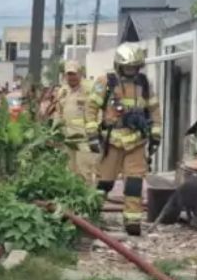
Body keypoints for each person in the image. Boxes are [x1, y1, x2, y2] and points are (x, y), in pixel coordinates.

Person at [86, 43, 162, 236]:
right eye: (127, 67)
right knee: (104, 183)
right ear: (119, 65)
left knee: (134, 183)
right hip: (112, 142)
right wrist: (92, 134)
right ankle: (91, 216)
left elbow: (154, 110)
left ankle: (132, 221)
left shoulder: (144, 84)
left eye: (134, 67)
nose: (131, 71)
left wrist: (155, 135)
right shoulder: (106, 82)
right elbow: (91, 108)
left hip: (136, 142)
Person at [54, 61, 96, 184]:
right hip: (67, 138)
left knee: (84, 171)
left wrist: (96, 132)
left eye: (74, 74)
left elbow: (98, 111)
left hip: (85, 139)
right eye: (69, 74)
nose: (72, 77)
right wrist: (55, 132)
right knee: (69, 172)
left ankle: (87, 198)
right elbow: (58, 113)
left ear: (80, 74)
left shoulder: (90, 89)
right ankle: (74, 200)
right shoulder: (63, 91)